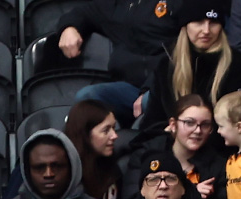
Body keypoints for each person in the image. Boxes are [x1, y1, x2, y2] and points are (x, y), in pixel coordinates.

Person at [137, 0, 241, 136]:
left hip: (222, 146)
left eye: (213, 23)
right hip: (173, 145)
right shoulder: (167, 65)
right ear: (185, 26)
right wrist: (170, 136)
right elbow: (152, 123)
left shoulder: (240, 65)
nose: (206, 30)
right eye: (198, 22)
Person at [56, 0, 185, 129]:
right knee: (87, 98)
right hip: (127, 87)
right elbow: (83, 12)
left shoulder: (176, 3)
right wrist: (69, 28)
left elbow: (182, 53)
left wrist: (149, 87)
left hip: (164, 84)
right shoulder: (117, 5)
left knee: (150, 101)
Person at [124, 95, 228, 199]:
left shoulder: (218, 165)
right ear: (173, 125)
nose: (198, 130)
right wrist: (190, 195)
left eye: (205, 125)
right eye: (189, 122)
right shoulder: (146, 154)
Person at [64, 100, 121, 199]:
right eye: (106, 130)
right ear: (85, 134)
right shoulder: (62, 173)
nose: (114, 136)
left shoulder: (112, 169)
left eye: (113, 128)